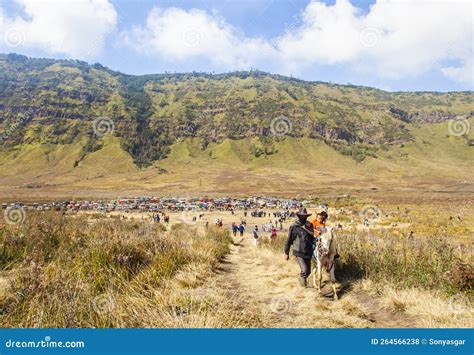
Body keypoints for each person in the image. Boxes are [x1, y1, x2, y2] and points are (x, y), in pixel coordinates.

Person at [284, 208, 315, 287]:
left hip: (308, 251)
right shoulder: (294, 227)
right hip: (298, 251)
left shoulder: (309, 225)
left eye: (305, 216)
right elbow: (289, 239)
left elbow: (312, 238)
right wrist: (286, 253)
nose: (303, 217)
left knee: (308, 271)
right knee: (304, 270)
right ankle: (303, 288)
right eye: (302, 216)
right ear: (299, 216)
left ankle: (301, 279)